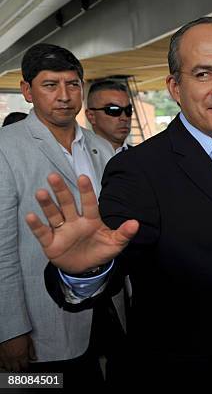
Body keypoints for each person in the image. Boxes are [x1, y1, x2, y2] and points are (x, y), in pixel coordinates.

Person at [26, 17, 212, 391]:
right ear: (175, 87)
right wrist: (83, 272)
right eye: (204, 74)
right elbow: (110, 262)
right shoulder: (138, 169)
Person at [0, 43, 123, 387]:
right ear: (27, 90)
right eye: (50, 85)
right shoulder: (6, 149)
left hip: (105, 307)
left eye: (72, 84)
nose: (65, 95)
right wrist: (9, 329)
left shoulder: (101, 147)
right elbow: (2, 249)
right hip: (41, 324)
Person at [85, 80, 132, 153]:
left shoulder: (145, 158)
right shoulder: (77, 157)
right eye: (113, 110)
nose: (124, 118)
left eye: (128, 110)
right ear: (91, 116)